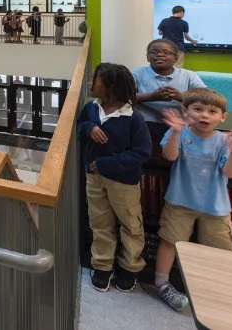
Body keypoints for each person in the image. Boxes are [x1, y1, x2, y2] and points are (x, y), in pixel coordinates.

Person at [152, 88, 232, 312]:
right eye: (198, 109)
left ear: (222, 117)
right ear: (185, 112)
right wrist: (176, 132)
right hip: (179, 201)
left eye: (212, 111)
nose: (204, 115)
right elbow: (170, 156)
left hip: (215, 207)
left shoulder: (223, 140)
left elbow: (231, 172)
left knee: (222, 250)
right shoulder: (180, 132)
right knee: (170, 241)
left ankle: (221, 289)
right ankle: (161, 283)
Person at [77, 63, 151, 292]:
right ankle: (102, 265)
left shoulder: (134, 118)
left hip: (123, 182)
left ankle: (130, 268)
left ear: (110, 86)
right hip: (94, 178)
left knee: (130, 225)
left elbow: (142, 152)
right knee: (99, 223)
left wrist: (106, 164)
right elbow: (79, 125)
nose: (90, 82)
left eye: (95, 79)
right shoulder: (91, 108)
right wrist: (88, 128)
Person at [132, 39, 207, 123]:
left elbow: (205, 97)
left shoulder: (189, 75)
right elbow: (123, 97)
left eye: (166, 52)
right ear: (147, 57)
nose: (159, 55)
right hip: (144, 123)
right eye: (154, 52)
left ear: (176, 58)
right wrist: (151, 97)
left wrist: (180, 97)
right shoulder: (137, 73)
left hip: (182, 124)